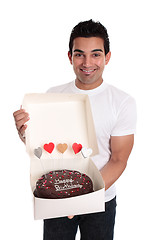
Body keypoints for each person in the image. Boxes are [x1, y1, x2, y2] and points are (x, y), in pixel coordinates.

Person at [13, 19, 137, 240]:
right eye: (79, 54)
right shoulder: (52, 95)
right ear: (70, 56)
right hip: (56, 198)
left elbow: (119, 159)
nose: (87, 62)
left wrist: (81, 199)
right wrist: (24, 133)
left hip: (101, 201)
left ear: (107, 57)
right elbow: (45, 148)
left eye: (96, 54)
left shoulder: (122, 102)